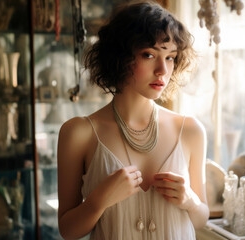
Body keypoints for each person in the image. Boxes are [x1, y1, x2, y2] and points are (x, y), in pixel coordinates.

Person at [57, 1, 209, 239]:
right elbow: (67, 230)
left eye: (170, 57)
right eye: (149, 54)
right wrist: (98, 201)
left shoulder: (190, 131)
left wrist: (190, 201)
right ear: (120, 56)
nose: (162, 70)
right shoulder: (79, 133)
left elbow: (201, 218)